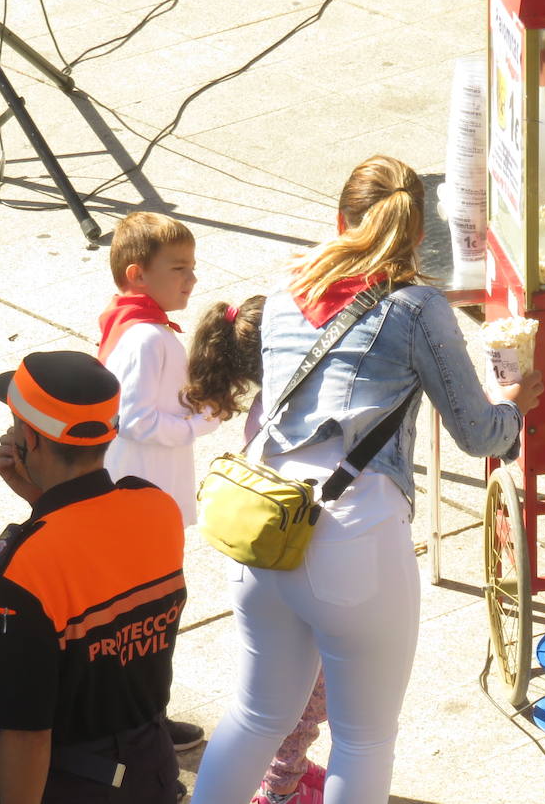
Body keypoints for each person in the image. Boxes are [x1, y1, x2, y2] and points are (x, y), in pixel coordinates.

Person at [190, 156, 543, 804]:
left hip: (262, 527)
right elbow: (479, 433)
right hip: (354, 539)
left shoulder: (287, 287)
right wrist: (515, 402)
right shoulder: (416, 308)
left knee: (254, 717)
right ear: (415, 238)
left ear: (340, 219)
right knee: (363, 738)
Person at [0, 350, 188, 803]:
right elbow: (97, 556)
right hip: (150, 773)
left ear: (29, 438)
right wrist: (43, 502)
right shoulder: (157, 508)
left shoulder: (24, 566)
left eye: (16, 424)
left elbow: (26, 733)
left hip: (71, 786)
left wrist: (42, 515)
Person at [183, 294, 329, 804]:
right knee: (302, 703)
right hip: (299, 563)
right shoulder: (301, 406)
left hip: (264, 564)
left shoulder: (270, 405)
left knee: (281, 699)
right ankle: (280, 788)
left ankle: (287, 770)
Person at [98, 210, 219, 752]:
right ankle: (143, 724)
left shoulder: (135, 325)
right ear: (135, 274)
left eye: (192, 267)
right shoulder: (148, 338)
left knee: (137, 617)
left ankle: (138, 718)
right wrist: (200, 420)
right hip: (144, 500)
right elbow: (133, 417)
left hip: (136, 497)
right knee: (149, 619)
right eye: (178, 268)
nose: (190, 279)